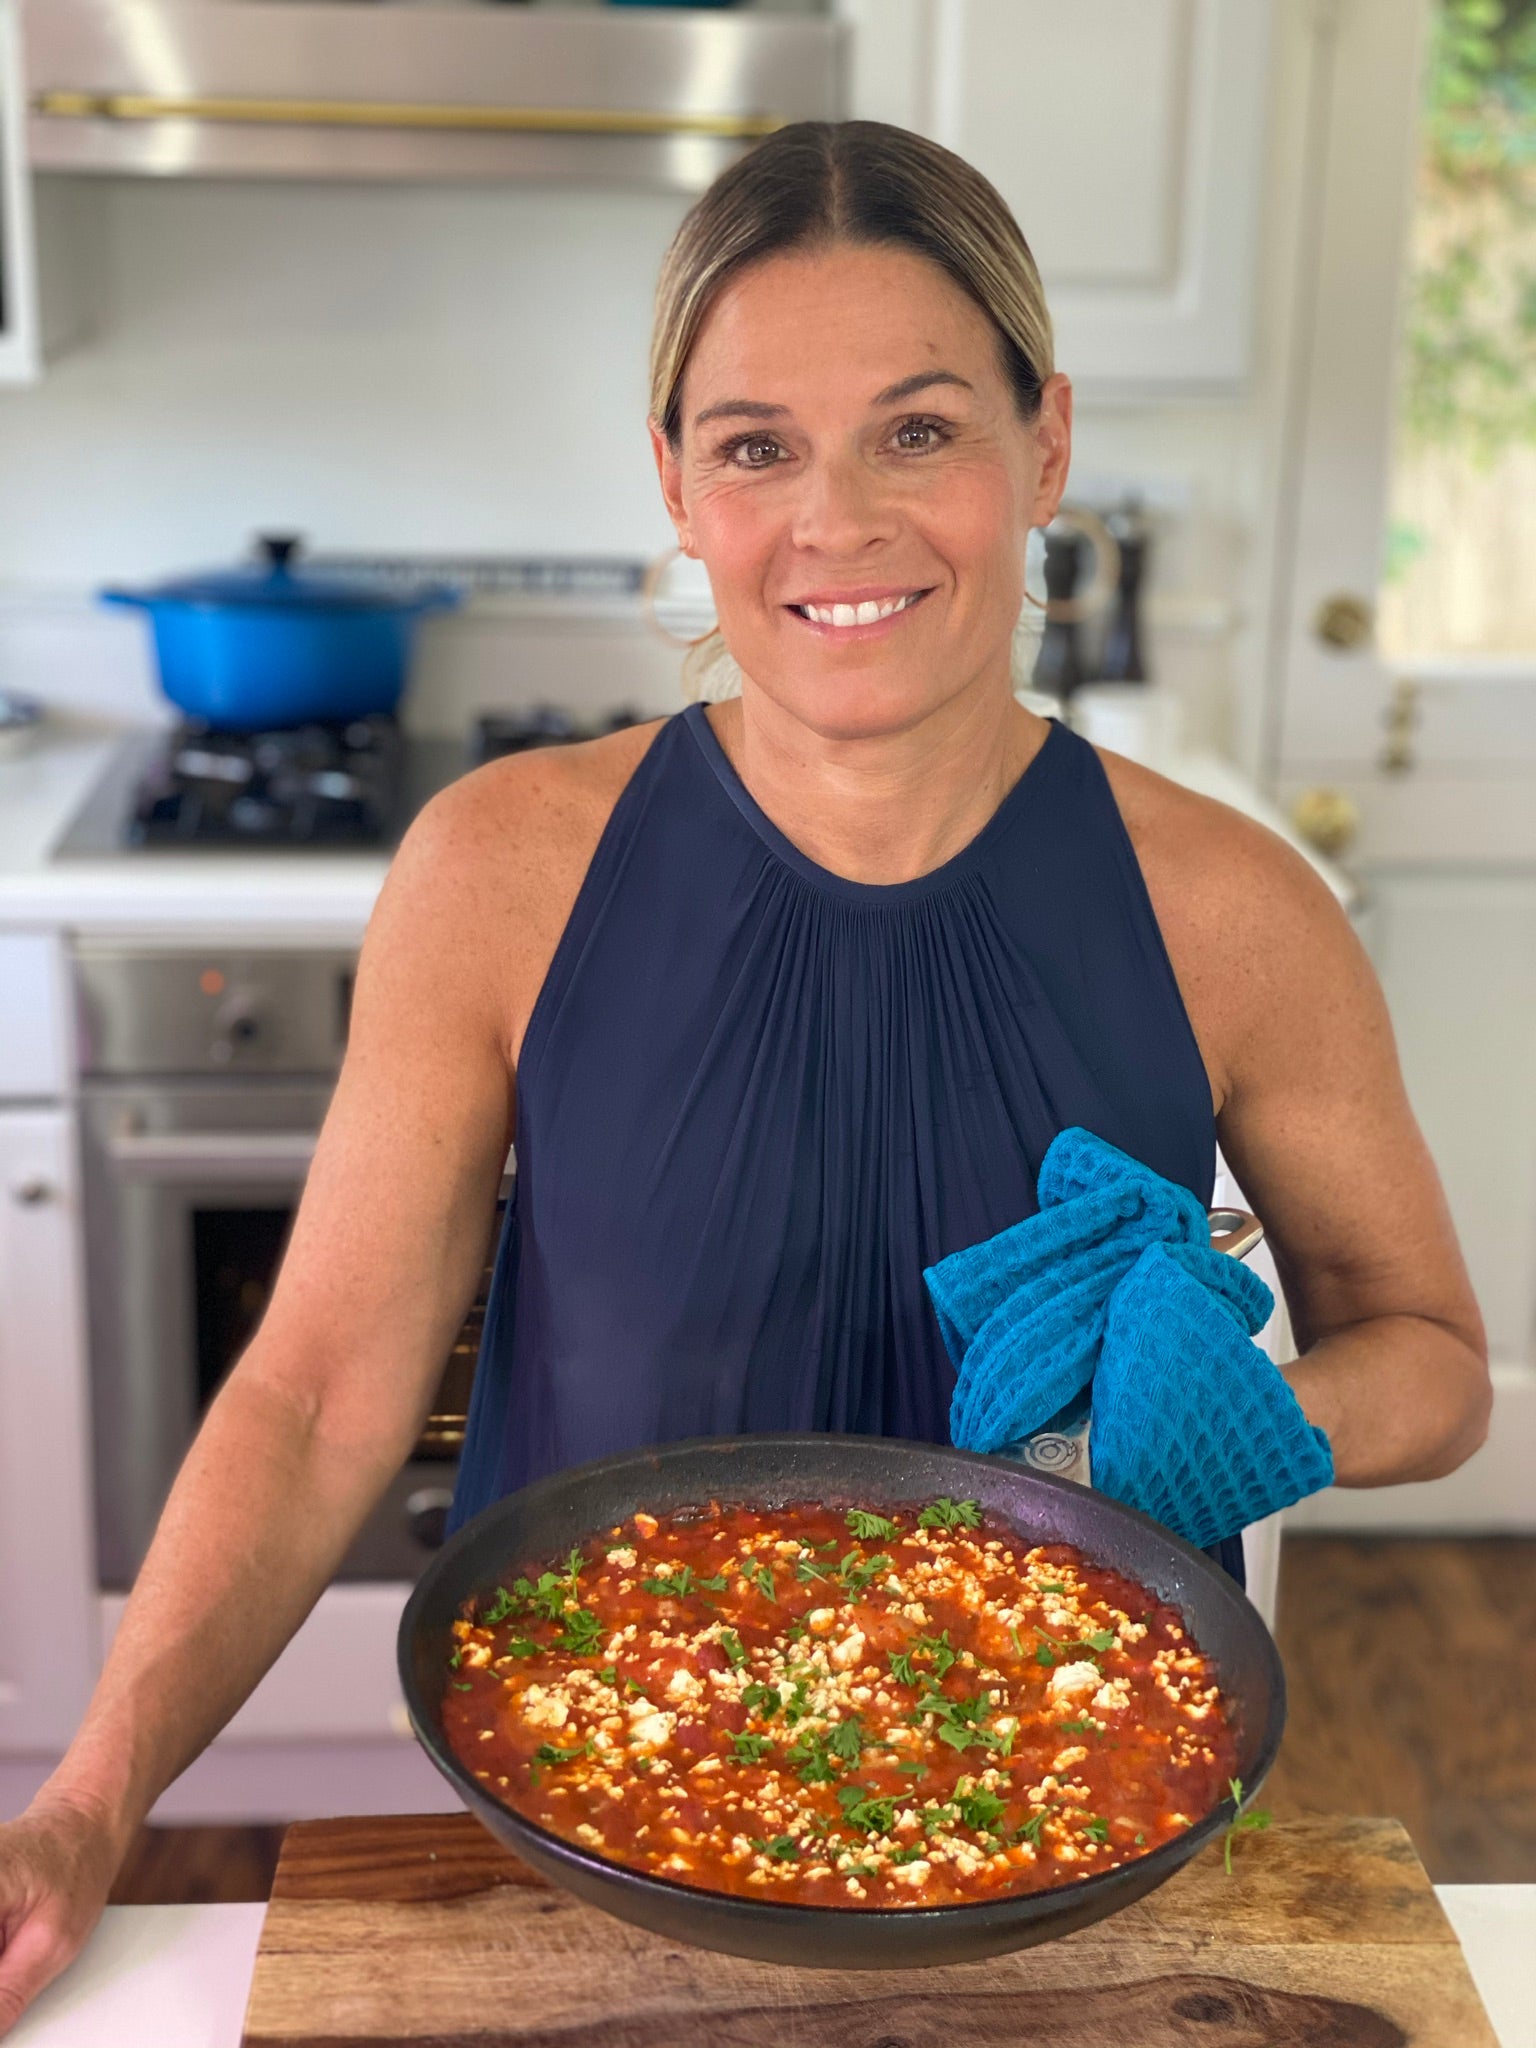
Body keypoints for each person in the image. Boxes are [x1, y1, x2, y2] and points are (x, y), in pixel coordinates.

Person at [0, 120, 1488, 2033]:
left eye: (921, 430)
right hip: (594, 1838)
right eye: (758, 444)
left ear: (1044, 447)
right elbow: (308, 1396)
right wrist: (88, 1797)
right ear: (679, 490)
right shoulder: (496, 870)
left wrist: (1261, 1421)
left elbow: (1436, 1361)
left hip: (1080, 1881)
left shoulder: (1234, 910)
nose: (836, 521)